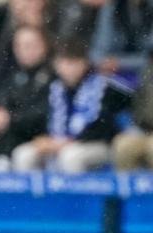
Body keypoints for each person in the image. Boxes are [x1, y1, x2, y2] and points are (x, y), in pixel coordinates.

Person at [11, 39, 132, 173]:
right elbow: (42, 118)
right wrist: (44, 140)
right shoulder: (53, 88)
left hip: (98, 145)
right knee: (23, 154)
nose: (69, 68)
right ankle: (34, 194)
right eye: (64, 62)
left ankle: (76, 194)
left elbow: (103, 127)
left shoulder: (104, 87)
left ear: (84, 63)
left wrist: (67, 142)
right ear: (55, 64)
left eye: (73, 63)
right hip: (58, 142)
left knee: (70, 156)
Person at [0, 24, 53, 169]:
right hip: (8, 137)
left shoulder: (53, 76)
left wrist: (12, 119)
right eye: (19, 46)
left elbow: (44, 114)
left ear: (45, 45)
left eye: (30, 45)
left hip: (36, 138)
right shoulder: (14, 74)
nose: (25, 51)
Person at [112, 54, 153, 170]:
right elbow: (138, 107)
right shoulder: (147, 74)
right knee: (123, 145)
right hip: (144, 129)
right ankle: (124, 186)